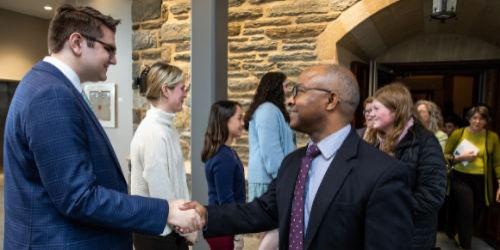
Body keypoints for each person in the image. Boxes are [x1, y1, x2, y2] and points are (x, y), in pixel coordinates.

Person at [3, 5, 201, 249]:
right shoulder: (51, 94)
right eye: (109, 49)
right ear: (77, 43)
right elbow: (78, 197)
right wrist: (165, 211)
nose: (115, 59)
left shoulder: (54, 88)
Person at [182, 65, 414, 249]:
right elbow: (263, 210)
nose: (291, 100)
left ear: (331, 100)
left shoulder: (382, 173)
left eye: (298, 91)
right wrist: (206, 213)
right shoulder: (294, 163)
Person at [364, 83, 447, 250]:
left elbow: (432, 195)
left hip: (410, 236)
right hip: (376, 232)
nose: (370, 114)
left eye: (375, 108)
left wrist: (388, 208)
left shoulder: (425, 142)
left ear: (396, 110)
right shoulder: (372, 140)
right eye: (369, 110)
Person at [130, 62, 196, 249]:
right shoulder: (153, 132)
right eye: (182, 89)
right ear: (166, 90)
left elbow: (177, 182)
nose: (185, 94)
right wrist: (185, 226)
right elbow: (161, 190)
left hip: (167, 229)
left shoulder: (166, 128)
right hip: (156, 233)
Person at [243, 71, 295, 250]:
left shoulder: (275, 110)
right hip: (269, 181)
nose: (289, 89)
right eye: (286, 85)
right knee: (272, 234)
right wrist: (284, 179)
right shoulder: (267, 110)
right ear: (275, 86)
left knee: (275, 234)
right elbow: (270, 151)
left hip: (274, 179)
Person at [444, 105, 500, 249]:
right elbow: (444, 156)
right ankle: (465, 245)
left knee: (477, 212)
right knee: (467, 211)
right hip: (461, 178)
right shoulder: (458, 133)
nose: (477, 122)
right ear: (468, 119)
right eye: (474, 118)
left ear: (486, 121)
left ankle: (461, 235)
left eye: (482, 119)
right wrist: (460, 158)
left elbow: (497, 163)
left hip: (481, 181)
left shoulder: (492, 137)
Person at [202, 100, 246, 250]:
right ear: (225, 121)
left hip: (222, 226)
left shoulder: (226, 153)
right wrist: (237, 232)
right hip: (224, 230)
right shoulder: (223, 157)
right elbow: (226, 201)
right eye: (239, 118)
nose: (242, 123)